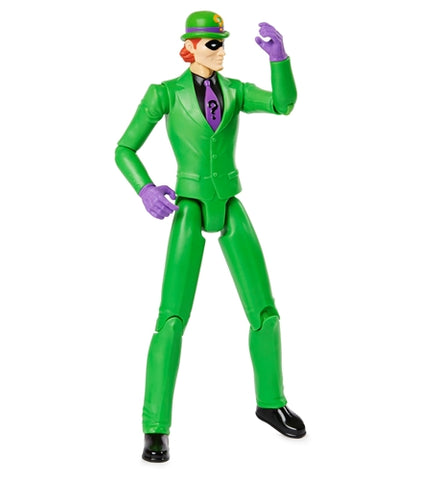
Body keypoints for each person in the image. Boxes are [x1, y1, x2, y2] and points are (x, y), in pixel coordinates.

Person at [115, 11, 306, 462]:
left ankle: (271, 401)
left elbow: (283, 104)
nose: (221, 51)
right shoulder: (165, 93)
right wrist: (144, 188)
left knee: (264, 311)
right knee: (172, 318)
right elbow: (124, 148)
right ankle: (155, 425)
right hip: (189, 205)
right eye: (213, 44)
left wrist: (279, 60)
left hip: (230, 201)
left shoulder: (235, 91)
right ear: (190, 47)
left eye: (223, 42)